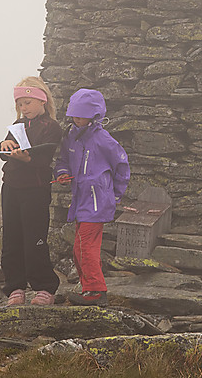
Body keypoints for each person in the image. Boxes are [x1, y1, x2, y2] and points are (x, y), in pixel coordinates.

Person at [54, 88, 130, 306]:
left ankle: (97, 291)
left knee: (85, 246)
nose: (77, 118)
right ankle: (89, 289)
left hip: (97, 202)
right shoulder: (71, 137)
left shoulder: (102, 139)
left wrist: (115, 195)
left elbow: (122, 165)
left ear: (94, 115)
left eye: (82, 114)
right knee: (79, 247)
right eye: (74, 114)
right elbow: (62, 161)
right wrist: (62, 174)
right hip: (80, 200)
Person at [0, 76, 62, 306]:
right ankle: (15, 287)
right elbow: (4, 150)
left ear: (42, 101)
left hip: (35, 190)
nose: (24, 108)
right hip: (11, 187)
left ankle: (44, 287)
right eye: (20, 104)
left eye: (28, 102)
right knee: (11, 238)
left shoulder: (52, 127)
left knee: (35, 239)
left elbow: (44, 160)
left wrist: (27, 158)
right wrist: (4, 148)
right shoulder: (16, 127)